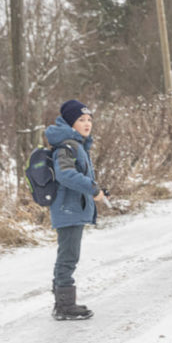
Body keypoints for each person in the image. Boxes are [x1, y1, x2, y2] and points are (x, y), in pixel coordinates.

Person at [46, 99, 106, 321]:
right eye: (81, 119)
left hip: (72, 208)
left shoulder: (77, 145)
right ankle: (64, 305)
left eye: (89, 119)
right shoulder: (67, 146)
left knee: (68, 255)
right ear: (70, 123)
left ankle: (61, 301)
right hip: (67, 209)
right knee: (68, 256)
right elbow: (65, 174)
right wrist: (91, 188)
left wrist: (97, 190)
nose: (87, 123)